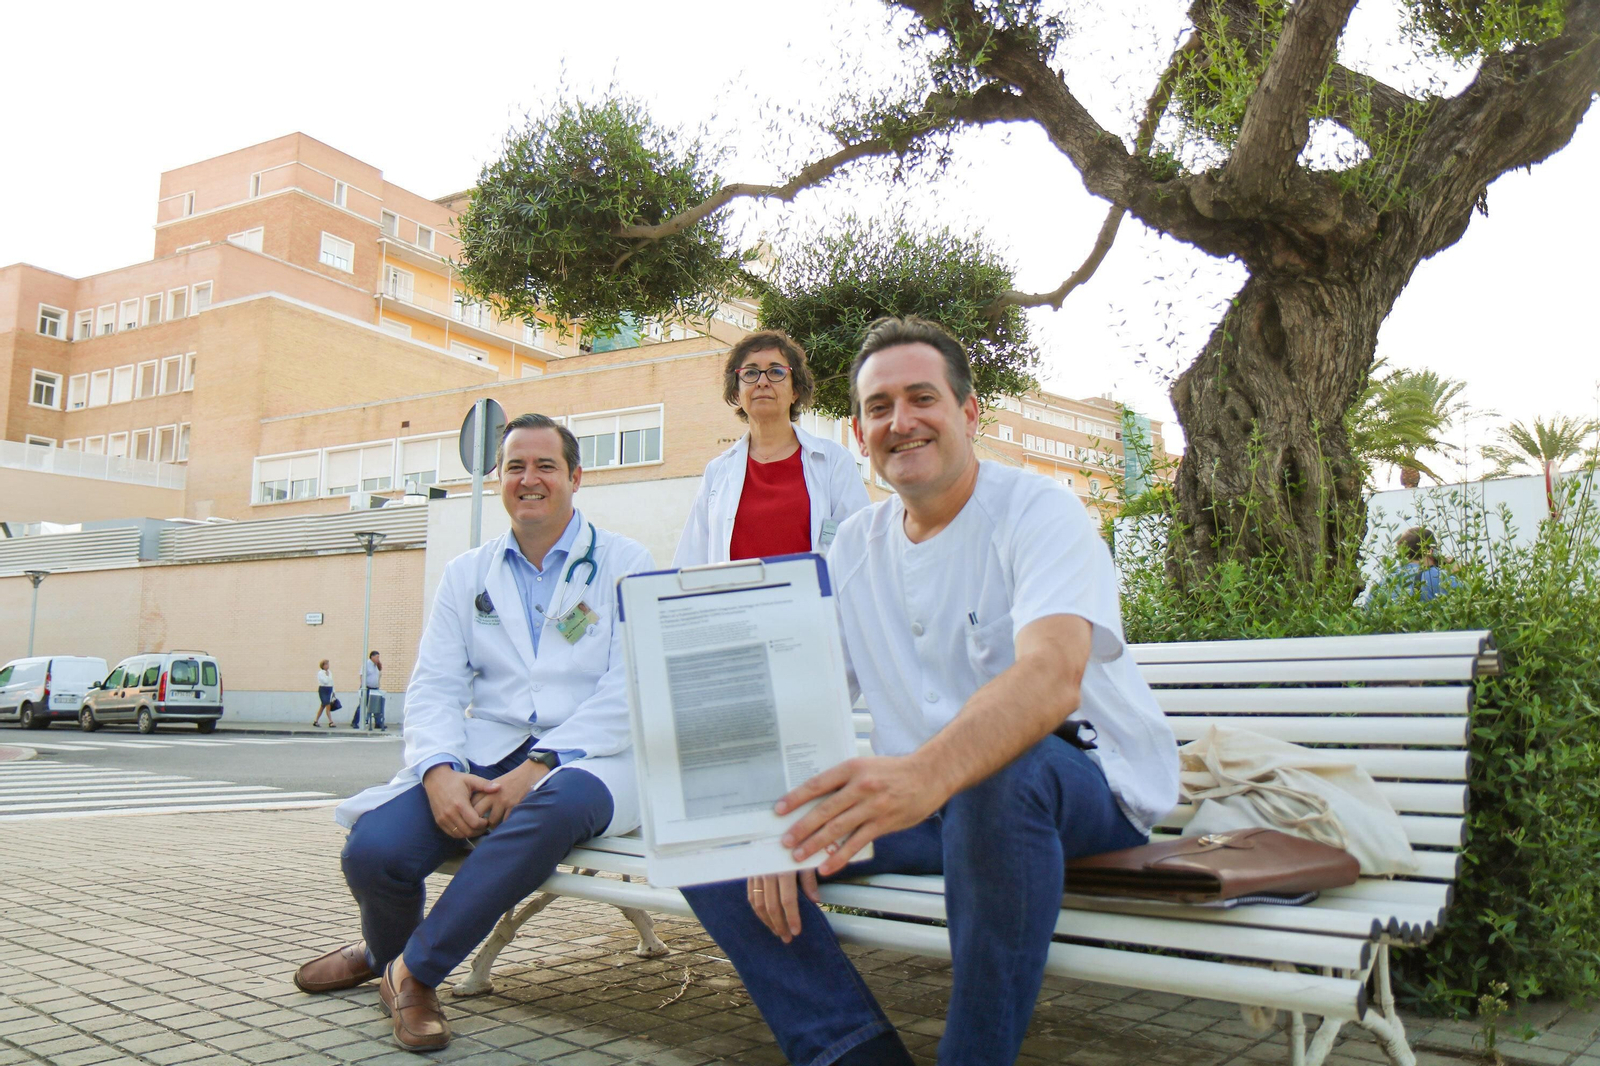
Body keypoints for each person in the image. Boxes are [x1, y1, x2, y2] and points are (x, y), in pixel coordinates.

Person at [680, 317, 1180, 1066]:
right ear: (858, 432)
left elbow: (1050, 678)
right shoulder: (855, 547)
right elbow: (808, 694)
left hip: (1079, 788)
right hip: (926, 808)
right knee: (714, 840)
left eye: (922, 398)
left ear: (969, 412)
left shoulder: (1038, 511)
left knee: (998, 777)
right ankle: (855, 1054)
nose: (901, 422)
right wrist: (765, 823)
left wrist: (926, 773)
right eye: (879, 407)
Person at [294, 413, 654, 1052]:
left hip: (590, 757)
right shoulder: (468, 573)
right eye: (514, 466)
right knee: (375, 852)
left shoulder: (626, 563)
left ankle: (413, 974)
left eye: (545, 465)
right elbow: (435, 684)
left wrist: (533, 770)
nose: (529, 478)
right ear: (498, 482)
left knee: (554, 807)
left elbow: (629, 686)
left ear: (576, 476)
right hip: (484, 748)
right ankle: (385, 953)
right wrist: (436, 772)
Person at [675, 329, 870, 566]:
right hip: (736, 602)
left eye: (776, 372)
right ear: (737, 393)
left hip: (814, 602)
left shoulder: (834, 461)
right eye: (750, 373)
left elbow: (859, 549)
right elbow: (691, 561)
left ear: (795, 391)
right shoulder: (717, 472)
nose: (762, 382)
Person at [1371, 526, 1458, 604]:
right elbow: (1466, 599)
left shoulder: (1386, 580)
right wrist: (1458, 573)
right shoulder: (1439, 577)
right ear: (1431, 551)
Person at [353, 651, 383, 729]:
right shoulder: (366, 664)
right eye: (377, 657)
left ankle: (378, 723)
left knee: (376, 705)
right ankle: (355, 722)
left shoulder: (376, 665)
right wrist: (363, 686)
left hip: (375, 688)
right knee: (362, 705)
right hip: (367, 688)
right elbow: (362, 675)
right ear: (372, 657)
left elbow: (378, 675)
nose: (378, 659)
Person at [313, 659, 336, 728]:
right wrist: (327, 676)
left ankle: (316, 720)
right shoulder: (320, 673)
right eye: (326, 664)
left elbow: (331, 682)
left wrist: (333, 691)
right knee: (327, 705)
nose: (327, 665)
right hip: (323, 689)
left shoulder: (330, 672)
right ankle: (330, 721)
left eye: (328, 664)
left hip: (329, 689)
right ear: (323, 665)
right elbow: (325, 681)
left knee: (323, 706)